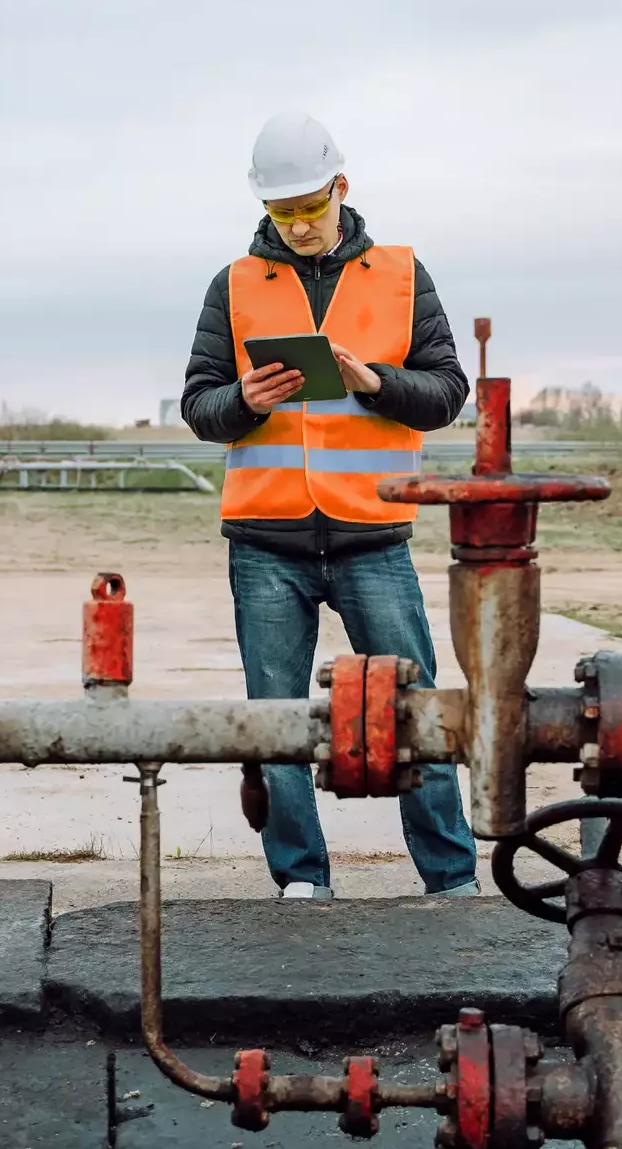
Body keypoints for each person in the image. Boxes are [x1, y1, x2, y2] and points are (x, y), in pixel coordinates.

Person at [181, 111, 479, 900]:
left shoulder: (401, 274)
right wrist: (242, 398)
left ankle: (450, 880)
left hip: (372, 532)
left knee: (416, 712)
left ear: (340, 188)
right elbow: (199, 406)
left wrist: (376, 382)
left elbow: (447, 392)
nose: (300, 225)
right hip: (265, 538)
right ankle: (301, 881)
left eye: (310, 207)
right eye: (283, 213)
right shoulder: (235, 285)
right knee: (276, 718)